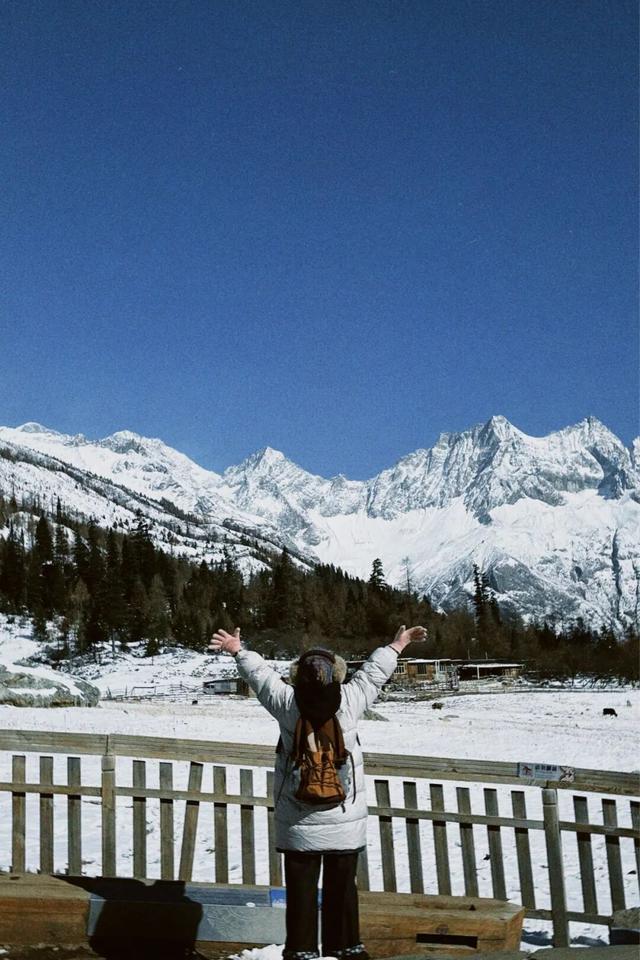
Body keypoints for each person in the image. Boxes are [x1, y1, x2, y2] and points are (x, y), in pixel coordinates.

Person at [209, 623, 427, 960]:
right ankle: (346, 947)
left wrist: (238, 650)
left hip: (298, 818)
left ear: (298, 676)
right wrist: (398, 644)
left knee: (300, 891)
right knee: (342, 889)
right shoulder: (350, 700)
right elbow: (372, 675)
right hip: (343, 816)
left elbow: (261, 676)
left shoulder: (286, 702)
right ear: (337, 675)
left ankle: (301, 950)